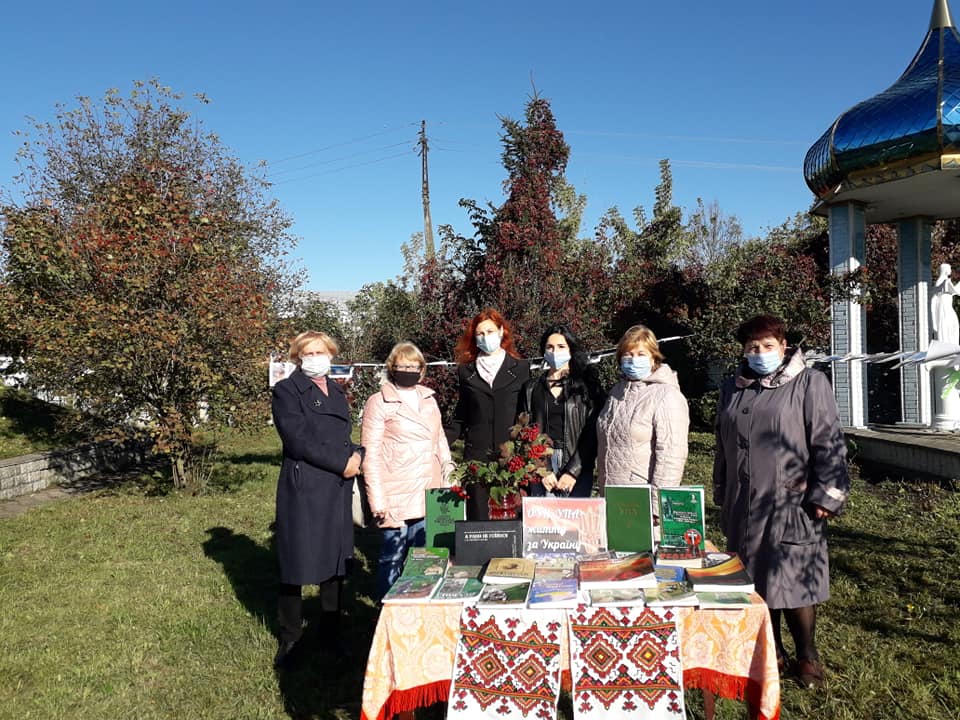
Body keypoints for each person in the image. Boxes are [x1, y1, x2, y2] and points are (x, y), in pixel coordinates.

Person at [713, 315, 849, 690]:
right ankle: (772, 651)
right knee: (754, 579)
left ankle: (807, 656)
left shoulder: (808, 383)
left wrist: (827, 493)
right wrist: (722, 489)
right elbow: (722, 445)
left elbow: (828, 440)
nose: (760, 353)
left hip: (792, 500)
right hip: (744, 502)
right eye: (752, 347)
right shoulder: (733, 388)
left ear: (783, 346)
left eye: (767, 346)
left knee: (793, 579)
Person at [270, 330, 362, 670]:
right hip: (305, 486)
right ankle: (291, 636)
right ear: (297, 357)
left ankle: (331, 632)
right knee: (295, 563)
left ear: (331, 355)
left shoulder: (336, 391)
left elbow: (342, 437)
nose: (315, 358)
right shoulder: (286, 390)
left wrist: (357, 454)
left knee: (335, 563)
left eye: (320, 352)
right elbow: (298, 441)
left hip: (336, 486)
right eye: (307, 353)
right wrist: (342, 463)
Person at [361, 342, 454, 600]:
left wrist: (449, 472)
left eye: (414, 366)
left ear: (422, 370)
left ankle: (417, 603)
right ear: (392, 368)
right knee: (392, 556)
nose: (409, 371)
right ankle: (386, 606)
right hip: (395, 492)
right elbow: (370, 454)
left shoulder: (428, 399)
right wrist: (377, 500)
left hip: (427, 489)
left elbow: (440, 440)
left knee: (423, 556)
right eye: (403, 366)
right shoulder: (378, 402)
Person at [445, 308, 530, 519]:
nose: (485, 337)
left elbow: (526, 413)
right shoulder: (466, 371)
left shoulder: (521, 368)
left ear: (501, 331)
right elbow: (462, 414)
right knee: (479, 520)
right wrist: (439, 443)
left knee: (510, 519)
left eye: (490, 331)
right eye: (480, 334)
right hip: (477, 458)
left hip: (510, 459)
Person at [596, 324, 689, 506]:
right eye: (628, 354)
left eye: (641, 354)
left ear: (653, 358)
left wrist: (658, 505)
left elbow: (671, 457)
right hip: (611, 494)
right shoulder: (616, 393)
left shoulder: (666, 396)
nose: (633, 360)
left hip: (642, 499)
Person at [520, 324, 605, 497]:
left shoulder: (586, 387)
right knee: (542, 514)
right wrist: (542, 468)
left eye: (561, 347)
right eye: (550, 347)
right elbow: (525, 430)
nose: (555, 352)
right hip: (542, 466)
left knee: (574, 514)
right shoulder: (531, 388)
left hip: (577, 464)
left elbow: (592, 432)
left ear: (571, 349)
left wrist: (573, 471)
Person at [931, 262, 960, 344]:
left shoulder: (945, 281)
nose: (950, 270)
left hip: (948, 306)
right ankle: (946, 343)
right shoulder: (942, 281)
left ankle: (952, 344)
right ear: (945, 270)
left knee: (954, 324)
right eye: (949, 268)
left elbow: (953, 291)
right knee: (946, 324)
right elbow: (938, 291)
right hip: (944, 307)